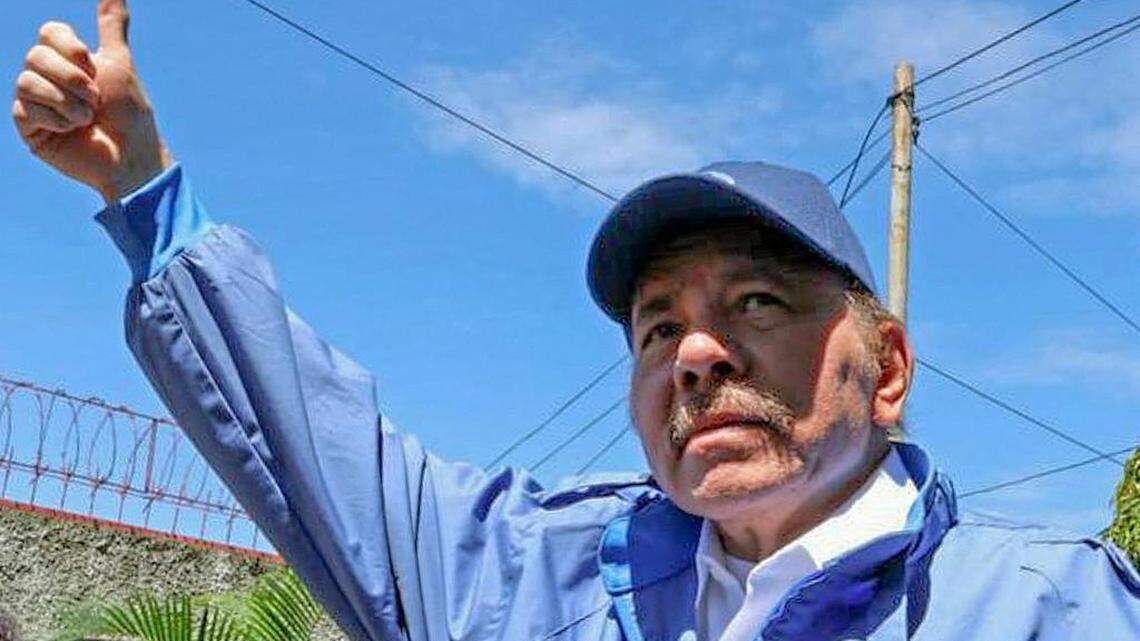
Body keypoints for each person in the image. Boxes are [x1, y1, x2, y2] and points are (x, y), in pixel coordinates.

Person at [13, 2, 1140, 640]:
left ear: (885, 365)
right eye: (657, 328)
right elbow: (315, 448)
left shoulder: (1055, 608)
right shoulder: (535, 578)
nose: (696, 353)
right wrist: (147, 191)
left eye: (753, 301)